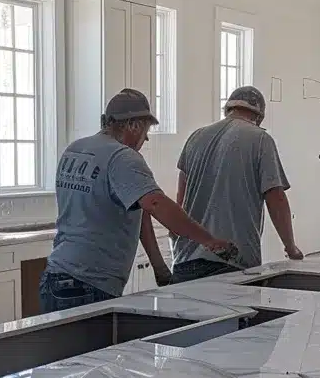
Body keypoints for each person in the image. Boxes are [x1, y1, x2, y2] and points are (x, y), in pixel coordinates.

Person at [40, 89, 238, 313]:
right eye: (145, 130)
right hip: (90, 284)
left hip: (55, 278)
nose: (146, 138)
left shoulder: (75, 150)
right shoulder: (123, 157)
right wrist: (210, 240)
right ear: (133, 125)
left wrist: (159, 268)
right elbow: (155, 204)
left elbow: (141, 214)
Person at [162, 85, 301, 284]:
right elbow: (276, 198)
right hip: (233, 261)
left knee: (193, 315)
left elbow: (180, 201)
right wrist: (291, 247)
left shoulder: (195, 137)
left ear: (227, 109)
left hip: (186, 260)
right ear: (259, 117)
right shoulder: (260, 139)